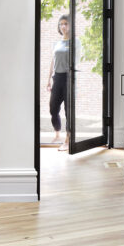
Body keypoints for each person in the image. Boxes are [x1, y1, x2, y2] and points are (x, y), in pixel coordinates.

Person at [46, 14, 80, 151]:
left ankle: (68, 139)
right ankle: (57, 134)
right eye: (61, 24)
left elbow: (77, 60)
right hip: (57, 78)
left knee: (68, 110)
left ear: (70, 25)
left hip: (69, 78)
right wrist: (48, 79)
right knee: (53, 108)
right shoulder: (56, 43)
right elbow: (52, 62)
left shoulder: (75, 42)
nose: (63, 26)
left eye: (66, 23)